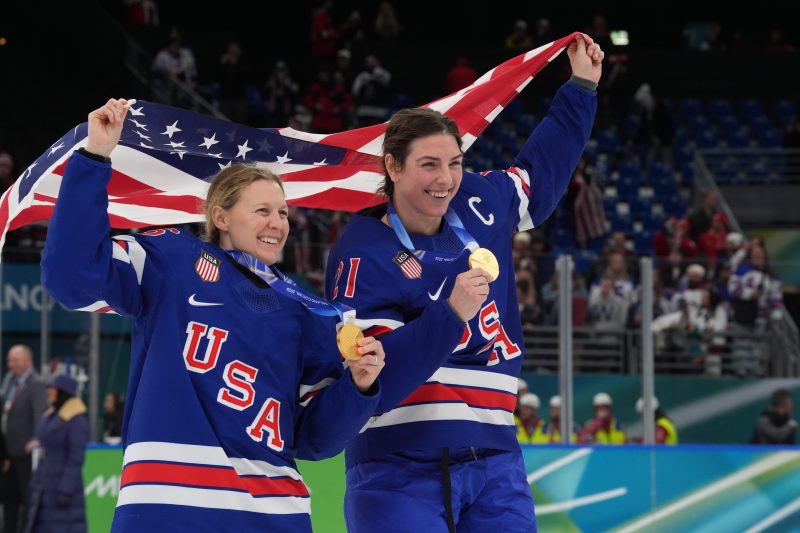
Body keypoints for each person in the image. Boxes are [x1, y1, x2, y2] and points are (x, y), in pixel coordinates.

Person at [40, 98, 389, 532]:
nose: (278, 223)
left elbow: (314, 441)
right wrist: (94, 157)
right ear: (220, 217)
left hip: (274, 515)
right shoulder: (172, 260)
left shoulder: (308, 311)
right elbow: (71, 276)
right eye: (262, 211)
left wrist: (358, 387)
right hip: (168, 510)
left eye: (283, 212)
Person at [325, 33, 603, 532]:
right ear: (393, 167)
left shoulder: (479, 201)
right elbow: (376, 381)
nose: (445, 179)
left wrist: (580, 89)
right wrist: (450, 314)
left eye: (454, 163)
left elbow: (540, 172)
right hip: (397, 465)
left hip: (495, 459)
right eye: (429, 165)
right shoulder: (361, 252)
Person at [25, 374, 88, 533]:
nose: (50, 393)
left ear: (63, 392)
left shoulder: (77, 421)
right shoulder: (52, 415)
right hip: (44, 486)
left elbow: (76, 458)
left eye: (53, 389)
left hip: (61, 489)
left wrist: (66, 488)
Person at [1, 345, 48, 533]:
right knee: (9, 499)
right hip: (8, 453)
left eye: (15, 360)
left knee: (28, 499)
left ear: (28, 361)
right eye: (9, 360)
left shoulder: (37, 383)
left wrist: (36, 438)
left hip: (26, 455)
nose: (11, 364)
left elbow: (40, 413)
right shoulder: (9, 381)